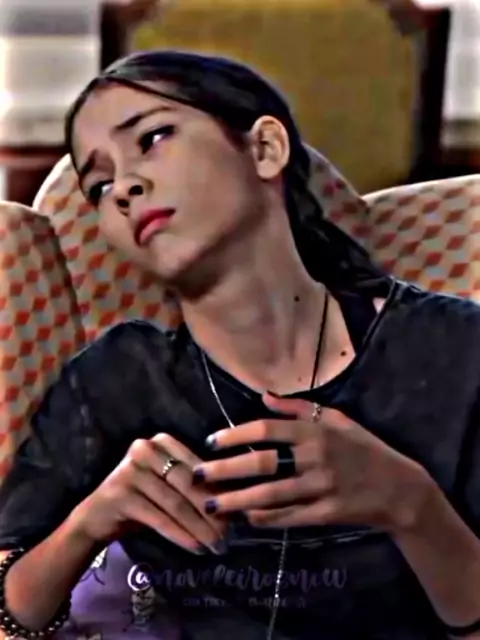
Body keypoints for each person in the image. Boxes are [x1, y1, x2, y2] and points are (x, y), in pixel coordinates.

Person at [1, 50, 480, 640]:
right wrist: (88, 523)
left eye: (152, 137)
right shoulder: (112, 380)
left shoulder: (455, 350)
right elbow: (9, 612)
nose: (123, 187)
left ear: (264, 149)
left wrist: (412, 506)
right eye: (99, 186)